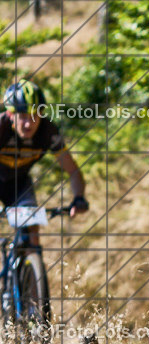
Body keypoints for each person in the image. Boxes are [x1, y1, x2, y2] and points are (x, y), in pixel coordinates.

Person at [1, 80, 89, 248]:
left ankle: (32, 266)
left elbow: (73, 170)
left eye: (35, 116)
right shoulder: (1, 128)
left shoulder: (47, 132)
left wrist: (79, 198)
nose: (29, 124)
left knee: (32, 233)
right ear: (11, 115)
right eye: (23, 117)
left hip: (19, 184)